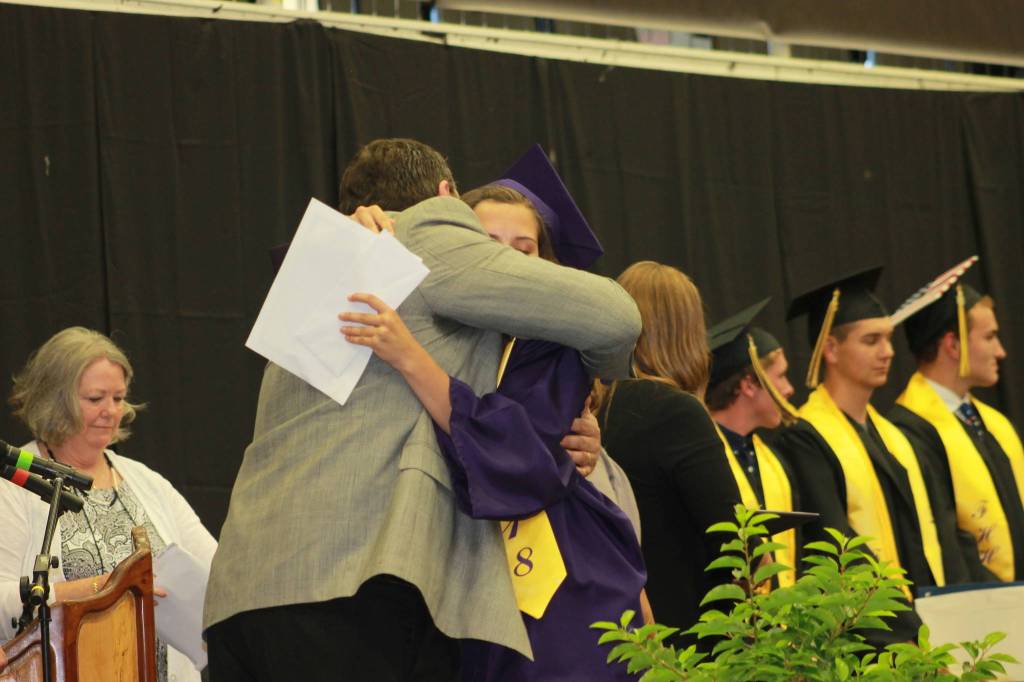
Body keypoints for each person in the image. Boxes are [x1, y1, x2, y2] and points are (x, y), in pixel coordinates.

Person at [204, 138, 642, 681]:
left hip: (244, 591)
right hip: (348, 585)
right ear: (446, 197)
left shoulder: (324, 260)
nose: (500, 261)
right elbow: (619, 318)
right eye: (485, 242)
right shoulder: (425, 232)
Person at [340, 144, 646, 681]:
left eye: (522, 252)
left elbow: (521, 458)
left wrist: (412, 359)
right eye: (486, 246)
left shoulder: (553, 345)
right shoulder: (433, 318)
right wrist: (368, 232)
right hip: (445, 568)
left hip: (559, 582)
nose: (502, 264)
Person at [0, 327, 217, 682]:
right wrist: (93, 589)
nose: (111, 412)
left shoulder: (146, 481)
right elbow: (2, 599)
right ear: (55, 400)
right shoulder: (13, 486)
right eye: (96, 398)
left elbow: (216, 569)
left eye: (118, 398)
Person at [777, 266, 944, 644]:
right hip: (866, 638)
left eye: (888, 339)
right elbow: (838, 545)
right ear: (831, 349)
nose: (887, 352)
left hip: (922, 625)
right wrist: (911, 634)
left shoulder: (896, 436)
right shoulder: (805, 438)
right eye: (871, 341)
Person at [594, 261, 743, 647]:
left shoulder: (590, 405)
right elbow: (731, 536)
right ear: (687, 333)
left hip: (612, 627)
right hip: (684, 637)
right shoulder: (676, 412)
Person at [889, 258, 1024, 583]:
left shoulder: (990, 422)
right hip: (980, 608)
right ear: (952, 344)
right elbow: (947, 540)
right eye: (990, 337)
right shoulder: (909, 429)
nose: (1001, 351)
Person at [705, 298, 802, 586]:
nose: (789, 389)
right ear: (749, 384)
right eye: (780, 377)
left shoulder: (772, 459)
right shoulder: (705, 459)